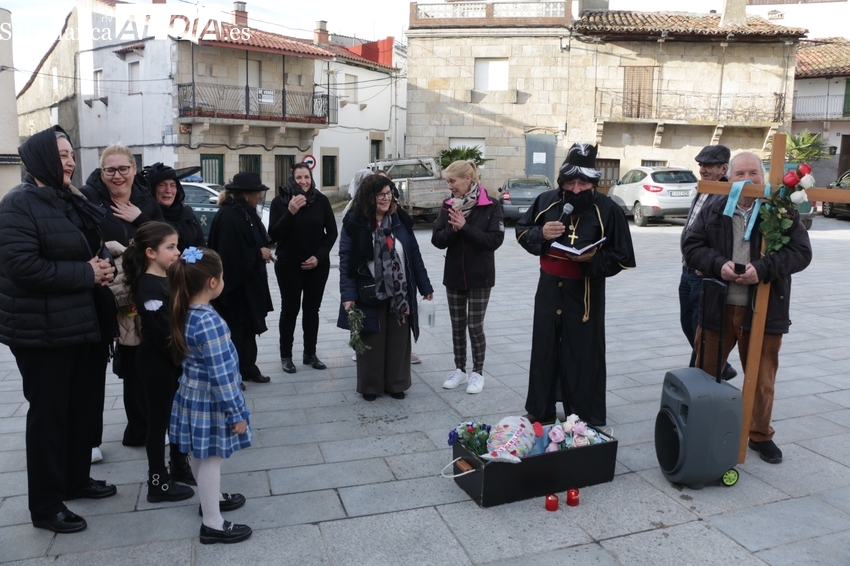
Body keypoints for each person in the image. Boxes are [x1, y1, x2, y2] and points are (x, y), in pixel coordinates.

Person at [0, 126, 118, 534]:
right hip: (42, 332)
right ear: (39, 159)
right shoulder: (18, 205)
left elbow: (91, 247)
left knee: (82, 409)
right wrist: (86, 273)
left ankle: (76, 479)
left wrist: (103, 265)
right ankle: (47, 505)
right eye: (61, 155)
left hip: (84, 323)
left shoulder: (70, 200)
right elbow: (23, 267)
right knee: (50, 417)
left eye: (70, 154)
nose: (69, 161)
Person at [683, 151, 812, 464]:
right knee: (706, 371)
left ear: (763, 177)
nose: (746, 180)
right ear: (730, 177)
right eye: (739, 174)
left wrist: (764, 268)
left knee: (763, 378)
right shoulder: (715, 208)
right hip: (719, 306)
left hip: (763, 310)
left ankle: (759, 434)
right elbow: (692, 246)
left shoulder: (781, 211)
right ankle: (703, 426)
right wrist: (718, 264)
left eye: (753, 173)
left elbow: (802, 253)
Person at [516, 143, 636, 425]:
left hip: (584, 294)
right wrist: (540, 232)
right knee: (545, 348)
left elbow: (623, 257)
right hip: (548, 290)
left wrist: (593, 260)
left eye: (583, 182)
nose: (577, 188)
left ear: (594, 182)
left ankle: (583, 411)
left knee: (583, 352)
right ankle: (540, 408)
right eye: (571, 182)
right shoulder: (546, 201)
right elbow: (522, 232)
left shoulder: (609, 210)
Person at [81, 144, 165, 452]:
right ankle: (90, 441)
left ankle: (140, 428)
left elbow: (166, 240)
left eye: (123, 169)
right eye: (110, 170)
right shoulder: (88, 199)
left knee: (139, 363)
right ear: (101, 172)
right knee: (91, 370)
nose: (117, 176)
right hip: (102, 295)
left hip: (139, 297)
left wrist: (141, 218)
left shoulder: (145, 202)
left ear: (133, 169)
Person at [168, 247, 251, 544]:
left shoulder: (184, 310)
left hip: (191, 394)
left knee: (198, 453)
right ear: (212, 283)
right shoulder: (210, 321)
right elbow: (222, 374)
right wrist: (237, 412)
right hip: (211, 401)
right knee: (212, 458)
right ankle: (213, 522)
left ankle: (210, 498)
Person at [337, 174, 434, 401]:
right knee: (372, 339)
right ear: (369, 197)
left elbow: (414, 256)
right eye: (380, 194)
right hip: (369, 290)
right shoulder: (354, 223)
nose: (386, 198)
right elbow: (346, 261)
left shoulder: (401, 220)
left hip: (400, 293)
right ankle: (370, 386)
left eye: (389, 193)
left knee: (399, 340)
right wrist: (348, 294)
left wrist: (424, 286)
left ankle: (396, 383)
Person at [122, 221, 197, 500]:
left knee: (177, 418)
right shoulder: (149, 286)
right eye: (171, 247)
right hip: (159, 364)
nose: (177, 252)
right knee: (160, 422)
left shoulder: (169, 272)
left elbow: (199, 255)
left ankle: (179, 466)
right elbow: (162, 331)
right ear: (151, 253)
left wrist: (186, 251)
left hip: (174, 360)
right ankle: (158, 483)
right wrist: (187, 356)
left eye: (177, 246)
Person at [432, 160, 504, 394]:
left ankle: (477, 373)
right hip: (454, 274)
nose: (449, 186)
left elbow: (494, 241)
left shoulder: (491, 205)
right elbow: (437, 239)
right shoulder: (447, 205)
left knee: (474, 325)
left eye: (452, 181)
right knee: (457, 325)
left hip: (480, 276)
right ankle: (460, 369)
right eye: (447, 181)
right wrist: (452, 230)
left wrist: (465, 227)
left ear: (468, 179)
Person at [268, 163, 338, 373]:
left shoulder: (321, 200)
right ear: (292, 179)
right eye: (298, 178)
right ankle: (286, 356)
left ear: (311, 178)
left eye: (306, 177)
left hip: (317, 265)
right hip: (289, 265)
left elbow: (332, 233)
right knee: (289, 311)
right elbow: (274, 235)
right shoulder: (279, 202)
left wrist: (319, 257)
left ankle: (310, 353)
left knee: (312, 310)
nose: (303, 182)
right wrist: (290, 211)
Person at [207, 172, 274, 385]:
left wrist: (261, 250)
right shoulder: (230, 217)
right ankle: (232, 375)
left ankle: (247, 368)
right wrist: (257, 253)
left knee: (248, 331)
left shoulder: (246, 213)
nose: (259, 197)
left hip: (248, 286)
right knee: (235, 333)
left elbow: (258, 240)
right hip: (234, 289)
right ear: (246, 194)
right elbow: (230, 257)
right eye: (257, 193)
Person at [679, 144, 737, 380]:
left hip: (704, 271)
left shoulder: (726, 195)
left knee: (700, 326)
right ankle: (719, 366)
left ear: (723, 168)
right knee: (687, 322)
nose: (703, 169)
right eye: (701, 164)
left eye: (709, 165)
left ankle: (706, 371)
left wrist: (712, 263)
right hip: (687, 268)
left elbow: (726, 234)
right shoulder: (703, 189)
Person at [144, 162, 206, 250]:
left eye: (173, 185)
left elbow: (201, 244)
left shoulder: (186, 213)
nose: (168, 190)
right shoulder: (147, 214)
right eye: (162, 185)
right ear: (153, 189)